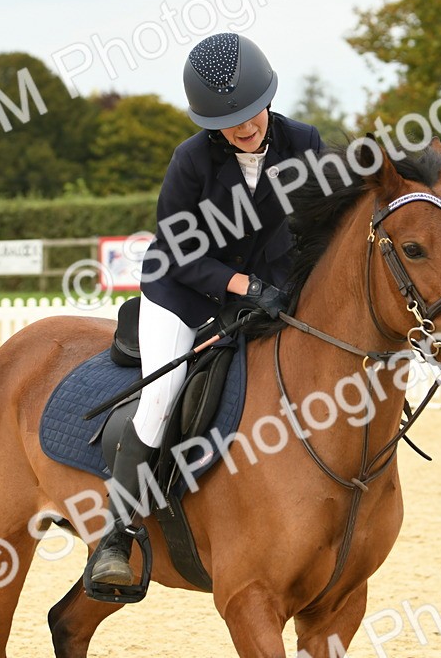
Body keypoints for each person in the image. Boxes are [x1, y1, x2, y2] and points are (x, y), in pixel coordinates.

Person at [90, 32, 325, 585]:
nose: (246, 128)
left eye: (252, 114)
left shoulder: (304, 142)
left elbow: (324, 223)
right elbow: (176, 249)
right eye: (231, 121)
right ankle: (116, 537)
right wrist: (243, 284)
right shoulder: (191, 161)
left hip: (273, 291)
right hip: (184, 292)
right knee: (160, 397)